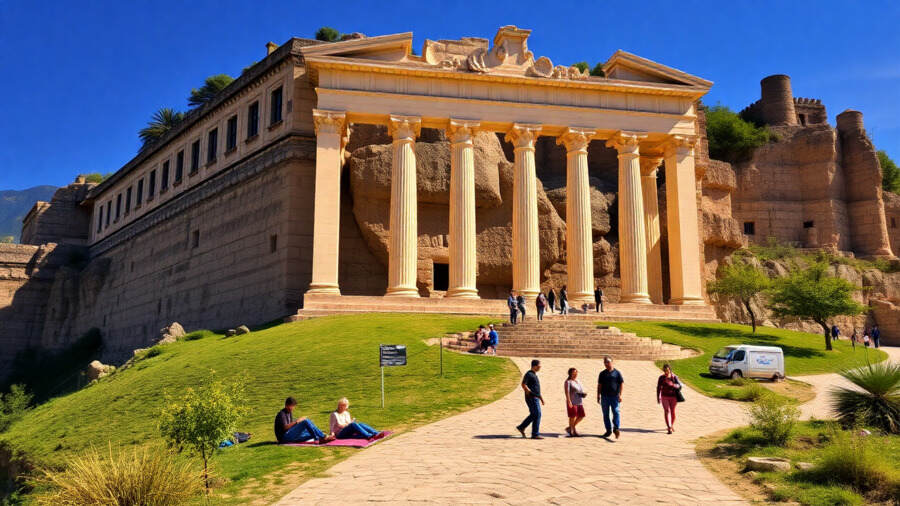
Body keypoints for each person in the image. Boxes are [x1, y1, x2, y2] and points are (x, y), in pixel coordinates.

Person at [597, 356, 624, 439]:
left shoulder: (617, 373)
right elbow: (599, 385)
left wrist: (620, 395)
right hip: (604, 397)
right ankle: (608, 430)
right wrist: (598, 395)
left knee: (616, 412)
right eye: (605, 362)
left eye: (608, 362)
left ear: (612, 362)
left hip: (614, 397)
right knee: (606, 414)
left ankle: (616, 428)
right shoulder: (602, 373)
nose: (606, 364)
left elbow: (621, 383)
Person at [516, 359, 544, 439]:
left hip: (535, 397)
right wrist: (528, 391)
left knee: (535, 414)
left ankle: (522, 427)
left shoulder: (534, 375)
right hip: (531, 397)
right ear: (534, 366)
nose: (540, 367)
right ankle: (535, 434)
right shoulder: (529, 374)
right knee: (537, 414)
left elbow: (536, 388)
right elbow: (523, 384)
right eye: (539, 366)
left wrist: (541, 398)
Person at [656, 364, 682, 434]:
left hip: (673, 397)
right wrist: (658, 397)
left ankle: (671, 425)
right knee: (667, 411)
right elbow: (658, 388)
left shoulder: (674, 377)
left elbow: (680, 386)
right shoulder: (661, 378)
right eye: (664, 370)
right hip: (664, 396)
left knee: (673, 411)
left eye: (667, 370)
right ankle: (669, 427)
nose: (666, 372)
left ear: (670, 370)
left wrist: (673, 385)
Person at [564, 368, 586, 437]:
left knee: (581, 416)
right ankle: (572, 431)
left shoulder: (578, 381)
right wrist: (569, 401)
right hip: (572, 401)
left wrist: (583, 394)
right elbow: (567, 392)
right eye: (573, 373)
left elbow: (580, 390)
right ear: (570, 373)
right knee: (572, 416)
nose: (575, 374)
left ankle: (571, 427)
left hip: (579, 401)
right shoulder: (568, 382)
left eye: (576, 373)